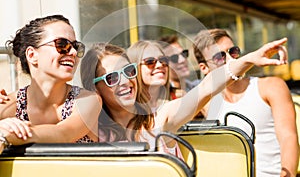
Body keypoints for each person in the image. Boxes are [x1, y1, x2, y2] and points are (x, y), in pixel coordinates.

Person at [80, 36, 287, 157]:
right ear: (95, 88)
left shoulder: (160, 119)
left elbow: (206, 87)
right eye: (113, 77)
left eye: (128, 71)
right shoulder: (90, 134)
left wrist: (248, 59)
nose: (125, 81)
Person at [193, 28, 299, 177]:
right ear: (204, 68)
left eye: (234, 51)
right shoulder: (205, 102)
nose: (231, 59)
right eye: (220, 57)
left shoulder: (270, 87)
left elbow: (288, 138)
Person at [0, 15, 102, 154]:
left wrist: (10, 133)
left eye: (76, 46)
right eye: (62, 44)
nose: (73, 53)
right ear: (31, 55)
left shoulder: (87, 100)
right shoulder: (8, 104)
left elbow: (63, 134)